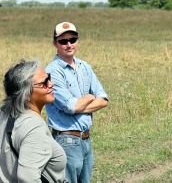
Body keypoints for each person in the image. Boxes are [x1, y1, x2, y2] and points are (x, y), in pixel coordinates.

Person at [45, 22, 109, 183]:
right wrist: (89, 97)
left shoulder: (84, 66)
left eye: (72, 40)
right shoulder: (53, 71)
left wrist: (81, 104)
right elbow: (70, 106)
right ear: (55, 44)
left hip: (86, 139)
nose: (69, 44)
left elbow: (103, 100)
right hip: (66, 140)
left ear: (77, 41)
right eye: (63, 41)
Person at [0, 60, 67, 182]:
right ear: (25, 94)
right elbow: (28, 178)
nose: (51, 84)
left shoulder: (4, 114)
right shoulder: (34, 126)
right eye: (44, 82)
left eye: (49, 78)